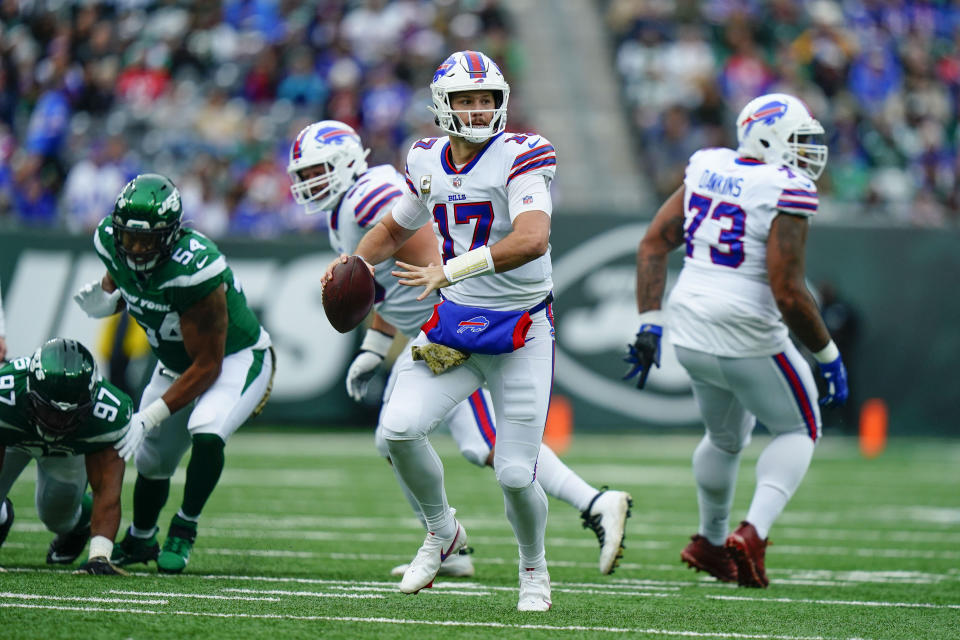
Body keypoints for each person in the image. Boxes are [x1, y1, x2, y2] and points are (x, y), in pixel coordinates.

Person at [289, 120, 632, 578]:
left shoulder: (367, 195)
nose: (309, 182)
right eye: (305, 174)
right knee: (407, 439)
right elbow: (390, 283)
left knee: (483, 443)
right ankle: (453, 542)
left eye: (316, 171)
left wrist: (450, 317)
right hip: (432, 330)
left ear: (346, 162)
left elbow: (429, 257)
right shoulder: (349, 205)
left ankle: (591, 503)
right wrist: (375, 344)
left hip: (455, 330)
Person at [323, 50, 565, 611]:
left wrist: (449, 269)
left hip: (521, 329)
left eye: (487, 99)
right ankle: (442, 532)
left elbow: (533, 239)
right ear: (442, 106)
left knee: (511, 471)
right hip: (455, 327)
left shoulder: (523, 154)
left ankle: (534, 569)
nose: (479, 110)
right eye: (466, 100)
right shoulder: (427, 158)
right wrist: (352, 265)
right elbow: (393, 226)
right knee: (399, 430)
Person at [625, 93, 848, 588]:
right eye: (798, 140)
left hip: (691, 325)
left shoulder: (707, 165)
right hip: (747, 329)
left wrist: (650, 324)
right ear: (767, 137)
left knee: (724, 438)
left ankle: (710, 541)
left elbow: (653, 243)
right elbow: (788, 293)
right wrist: (827, 354)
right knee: (799, 430)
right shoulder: (783, 186)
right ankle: (753, 534)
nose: (808, 152)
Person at [73, 173, 275, 574]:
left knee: (207, 428)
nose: (135, 248)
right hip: (176, 362)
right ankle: (142, 536)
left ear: (171, 235)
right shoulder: (111, 244)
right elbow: (129, 287)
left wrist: (150, 415)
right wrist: (107, 303)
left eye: (147, 240)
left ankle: (185, 526)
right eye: (128, 238)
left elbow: (208, 365)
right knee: (152, 461)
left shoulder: (195, 267)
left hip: (236, 357)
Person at [0, 338, 139, 575]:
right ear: (30, 392)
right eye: (49, 411)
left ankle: (81, 522)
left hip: (68, 449)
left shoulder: (108, 413)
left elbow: (106, 490)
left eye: (68, 414)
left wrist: (100, 556)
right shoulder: (5, 397)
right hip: (12, 436)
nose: (57, 422)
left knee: (57, 519)